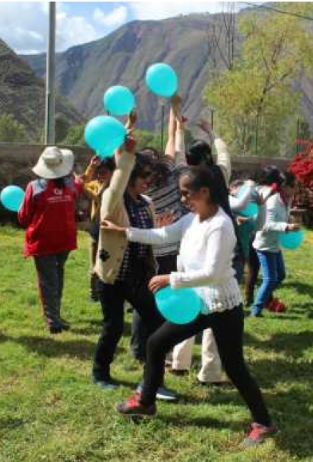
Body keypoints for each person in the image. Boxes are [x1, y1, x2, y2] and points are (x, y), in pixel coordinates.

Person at [103, 165, 277, 447]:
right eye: (182, 194)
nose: (183, 199)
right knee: (156, 343)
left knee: (234, 367)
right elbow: (164, 235)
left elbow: (213, 272)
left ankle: (264, 422)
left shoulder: (220, 225)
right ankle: (146, 402)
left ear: (205, 192)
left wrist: (170, 278)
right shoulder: (193, 219)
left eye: (187, 193)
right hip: (198, 303)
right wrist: (125, 232)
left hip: (222, 306)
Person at [91, 115, 168, 393]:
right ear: (132, 178)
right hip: (112, 276)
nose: (148, 182)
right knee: (112, 328)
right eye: (145, 177)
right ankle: (100, 373)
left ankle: (151, 376)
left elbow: (147, 237)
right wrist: (127, 147)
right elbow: (118, 177)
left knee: (156, 322)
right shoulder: (112, 201)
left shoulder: (146, 204)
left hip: (137, 274)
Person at [168, 117, 234, 384]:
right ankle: (209, 371)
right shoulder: (221, 174)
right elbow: (225, 154)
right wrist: (213, 131)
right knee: (215, 307)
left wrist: (180, 130)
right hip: (220, 244)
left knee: (187, 302)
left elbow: (177, 159)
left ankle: (179, 361)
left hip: (191, 243)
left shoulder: (188, 179)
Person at [130, 95, 189, 368]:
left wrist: (129, 126)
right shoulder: (168, 175)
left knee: (147, 299)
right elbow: (171, 140)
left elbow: (124, 154)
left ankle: (144, 347)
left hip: (151, 248)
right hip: (168, 248)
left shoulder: (140, 185)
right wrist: (174, 111)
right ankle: (152, 347)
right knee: (160, 298)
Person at [18, 147, 83, 334]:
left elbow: (23, 217)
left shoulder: (35, 187)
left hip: (43, 240)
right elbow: (79, 185)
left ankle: (53, 320)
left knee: (48, 280)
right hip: (65, 238)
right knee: (57, 276)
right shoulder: (70, 185)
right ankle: (55, 316)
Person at [250, 167, 299, 317]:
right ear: (284, 187)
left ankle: (263, 296)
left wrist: (287, 219)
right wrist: (287, 226)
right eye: (293, 185)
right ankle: (255, 310)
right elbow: (266, 224)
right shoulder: (272, 202)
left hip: (275, 245)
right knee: (271, 279)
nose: (296, 188)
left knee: (281, 275)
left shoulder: (287, 200)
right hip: (265, 245)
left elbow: (280, 217)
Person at [82, 155, 116, 301]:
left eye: (104, 172)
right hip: (96, 230)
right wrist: (91, 167)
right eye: (99, 172)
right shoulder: (96, 185)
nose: (100, 175)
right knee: (94, 264)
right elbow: (81, 183)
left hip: (113, 231)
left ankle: (110, 292)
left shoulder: (118, 187)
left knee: (110, 262)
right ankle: (93, 293)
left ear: (112, 172)